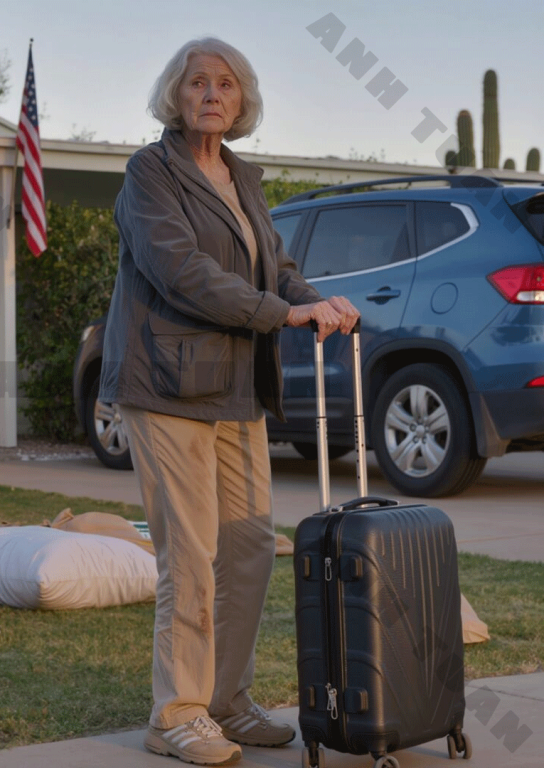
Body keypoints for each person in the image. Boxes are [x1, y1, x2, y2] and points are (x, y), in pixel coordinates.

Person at [99, 37, 360, 766]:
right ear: (174, 96)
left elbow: (275, 267)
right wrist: (284, 317)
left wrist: (316, 302)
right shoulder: (149, 174)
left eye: (226, 84)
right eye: (197, 83)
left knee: (248, 550)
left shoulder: (240, 175)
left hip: (237, 388)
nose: (212, 94)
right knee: (189, 554)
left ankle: (226, 701)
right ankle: (176, 714)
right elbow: (182, 272)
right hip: (168, 385)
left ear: (241, 101)